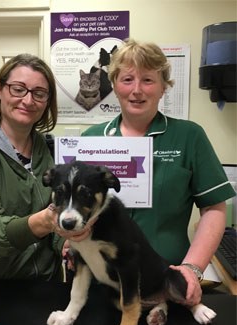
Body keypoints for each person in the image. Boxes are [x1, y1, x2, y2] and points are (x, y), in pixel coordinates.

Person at [82, 39, 236, 306]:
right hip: (103, 284)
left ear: (164, 87)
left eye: (148, 80)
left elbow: (214, 209)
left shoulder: (189, 136)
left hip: (167, 283)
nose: (137, 90)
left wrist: (192, 270)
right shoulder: (91, 139)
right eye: (127, 79)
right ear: (115, 85)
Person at [0, 53, 92, 318]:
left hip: (44, 290)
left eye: (39, 93)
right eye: (18, 89)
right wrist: (45, 221)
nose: (28, 100)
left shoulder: (47, 149)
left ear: (47, 102)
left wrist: (65, 242)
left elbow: (54, 215)